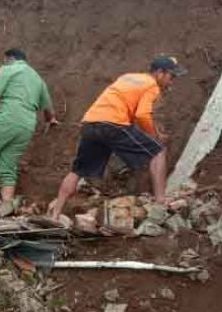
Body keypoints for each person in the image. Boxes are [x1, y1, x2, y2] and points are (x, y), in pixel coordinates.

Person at [49, 57, 187, 220]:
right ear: (159, 73)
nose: (172, 82)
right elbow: (142, 115)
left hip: (90, 123)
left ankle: (55, 213)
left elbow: (128, 110)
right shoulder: (152, 85)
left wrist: (152, 131)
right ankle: (160, 199)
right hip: (113, 124)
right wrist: (155, 137)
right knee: (158, 151)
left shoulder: (128, 77)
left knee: (77, 171)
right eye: (171, 77)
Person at [0, 48, 57, 206]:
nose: (3, 63)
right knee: (7, 167)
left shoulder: (9, 69)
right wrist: (51, 120)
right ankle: (7, 207)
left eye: (4, 60)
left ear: (9, 58)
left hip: (10, 116)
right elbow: (49, 110)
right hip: (28, 125)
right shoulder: (38, 79)